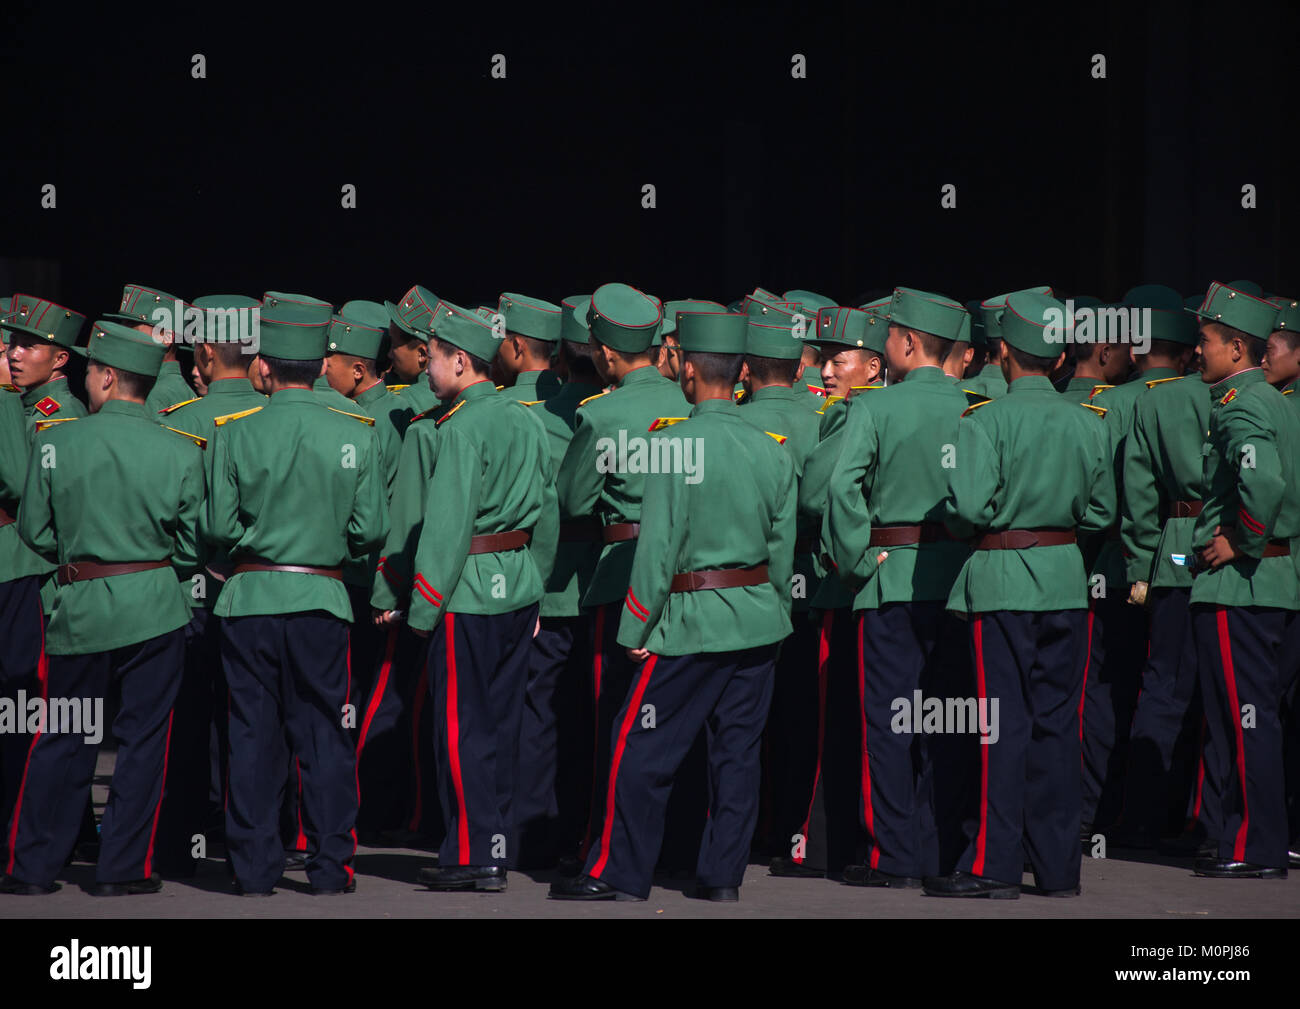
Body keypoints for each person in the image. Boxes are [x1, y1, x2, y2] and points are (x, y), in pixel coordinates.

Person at [550, 307, 796, 902]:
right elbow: (781, 551)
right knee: (736, 757)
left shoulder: (673, 445)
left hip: (689, 623)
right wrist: (777, 611)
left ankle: (618, 872)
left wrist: (635, 626)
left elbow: (658, 553)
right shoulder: (772, 448)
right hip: (759, 621)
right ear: (737, 371)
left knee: (638, 747)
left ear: (686, 368)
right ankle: (721, 879)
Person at [2, 320, 203, 897]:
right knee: (143, 740)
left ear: (109, 376)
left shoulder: (57, 441)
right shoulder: (179, 449)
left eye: (90, 368)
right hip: (156, 607)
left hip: (79, 604)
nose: (86, 377)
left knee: (64, 734)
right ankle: (125, 868)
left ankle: (34, 866)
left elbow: (37, 531)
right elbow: (189, 546)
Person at [928, 290, 1115, 899]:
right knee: (1059, 729)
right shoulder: (1090, 421)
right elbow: (1102, 512)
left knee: (998, 728)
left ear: (1003, 351)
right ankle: (1059, 870)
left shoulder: (982, 420)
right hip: (1064, 581)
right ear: (1059, 359)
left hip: (1003, 582)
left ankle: (994, 865)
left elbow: (966, 512)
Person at [206, 301, 388, 896]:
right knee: (326, 736)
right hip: (323, 603)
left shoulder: (236, 433)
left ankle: (254, 870)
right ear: (319, 365)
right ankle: (332, 867)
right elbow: (369, 532)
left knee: (253, 736)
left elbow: (218, 529)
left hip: (249, 599)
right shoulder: (355, 434)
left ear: (263, 366)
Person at [402, 300, 556, 893]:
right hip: (517, 587)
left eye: (432, 359)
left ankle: (472, 856)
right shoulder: (526, 419)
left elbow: (446, 530)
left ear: (460, 361)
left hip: (465, 593)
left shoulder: (460, 427)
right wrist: (535, 589)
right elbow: (546, 515)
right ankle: (495, 845)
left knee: (461, 729)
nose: (424, 370)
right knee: (502, 725)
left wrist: (422, 608)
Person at [825, 287, 973, 886]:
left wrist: (857, 562)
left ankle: (893, 858)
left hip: (889, 580)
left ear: (910, 343)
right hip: (960, 581)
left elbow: (840, 490)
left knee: (888, 725)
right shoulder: (975, 403)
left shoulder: (875, 408)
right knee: (950, 722)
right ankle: (942, 854)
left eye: (888, 336)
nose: (884, 346)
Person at [553, 283, 690, 873]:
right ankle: (678, 851)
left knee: (618, 724)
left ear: (605, 355)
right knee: (683, 723)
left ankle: (607, 854)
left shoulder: (601, 414)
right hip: (691, 580)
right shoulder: (695, 406)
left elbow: (574, 500)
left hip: (621, 581)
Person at [1186, 281, 1300, 879]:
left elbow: (1264, 482)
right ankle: (1252, 839)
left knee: (1244, 718)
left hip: (1243, 586)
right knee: (1257, 717)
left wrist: (1241, 539)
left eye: (1205, 340)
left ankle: (1253, 847)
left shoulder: (1245, 406)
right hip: (1277, 583)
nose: (1195, 350)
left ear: (1236, 348)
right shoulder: (1280, 401)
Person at [152, 295, 268, 876]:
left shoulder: (179, 422)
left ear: (202, 351)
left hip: (189, 587)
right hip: (260, 586)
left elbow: (161, 515)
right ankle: (257, 836)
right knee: (255, 718)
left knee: (187, 717)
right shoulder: (273, 415)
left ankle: (182, 836)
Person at [1080, 285, 1198, 839]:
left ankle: (1099, 812)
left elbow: (1101, 497)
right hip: (1182, 558)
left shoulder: (1114, 400)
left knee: (1108, 690)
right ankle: (1169, 814)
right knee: (1180, 687)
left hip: (1116, 563)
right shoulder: (1208, 395)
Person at [104, 284, 196, 415]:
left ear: (165, 337)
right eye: (122, 326)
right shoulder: (168, 389)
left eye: (131, 328)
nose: (121, 335)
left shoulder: (152, 394)